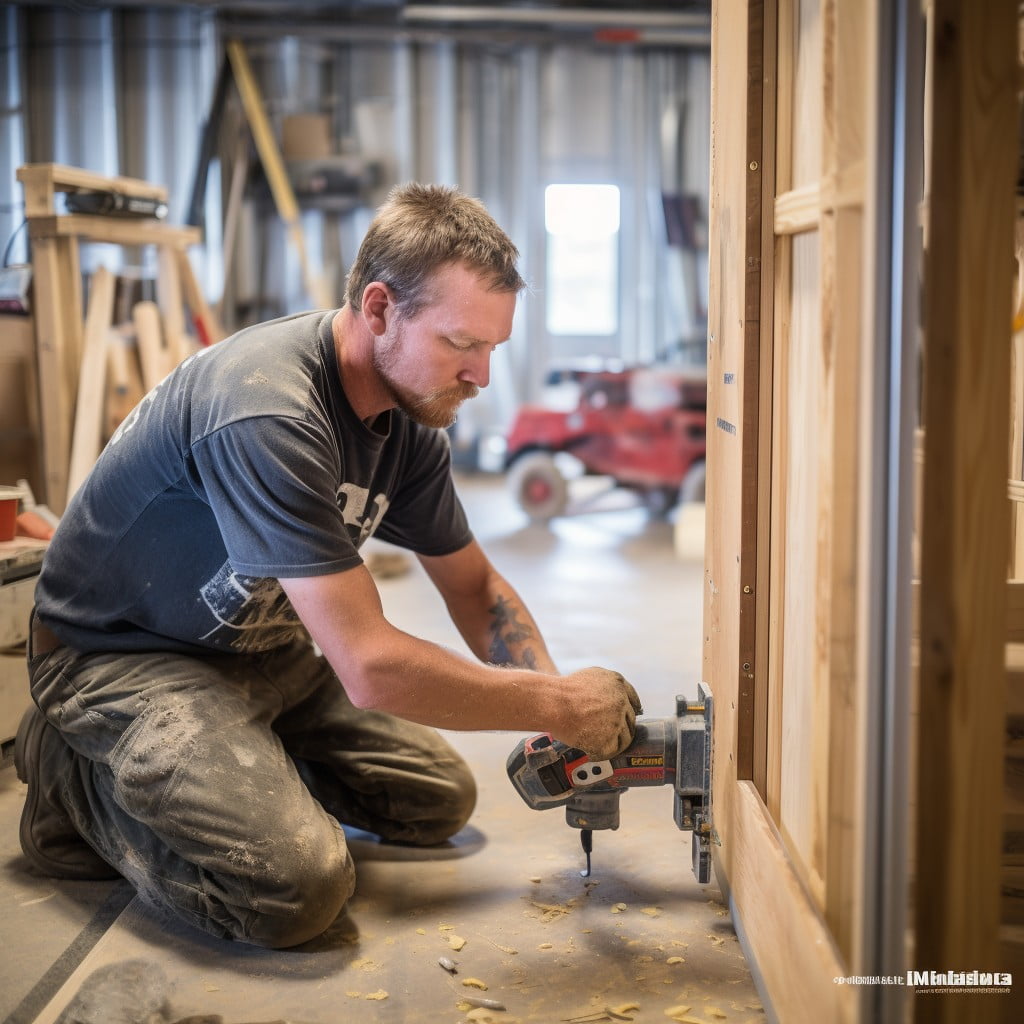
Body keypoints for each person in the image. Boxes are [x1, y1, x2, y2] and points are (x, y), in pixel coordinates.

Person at [16, 183, 642, 949]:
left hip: (259, 653)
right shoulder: (270, 410)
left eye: (492, 348)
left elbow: (474, 588)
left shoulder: (407, 421)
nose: (481, 375)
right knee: (293, 892)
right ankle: (69, 779)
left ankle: (228, 778)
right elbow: (372, 667)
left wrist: (554, 705)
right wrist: (553, 704)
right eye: (461, 344)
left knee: (434, 801)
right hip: (121, 659)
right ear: (379, 309)